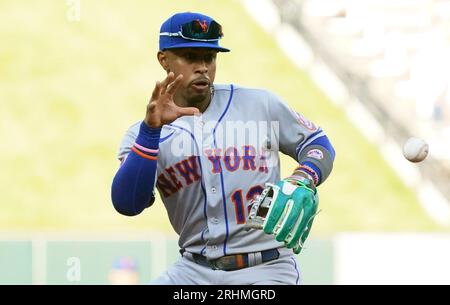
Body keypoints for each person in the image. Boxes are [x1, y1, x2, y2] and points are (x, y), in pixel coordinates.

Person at [111, 12, 335, 285]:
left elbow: (316, 144)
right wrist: (150, 132)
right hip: (192, 270)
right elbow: (127, 204)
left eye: (210, 57)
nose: (203, 67)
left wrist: (305, 176)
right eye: (191, 56)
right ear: (164, 59)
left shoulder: (259, 104)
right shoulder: (142, 133)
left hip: (267, 268)